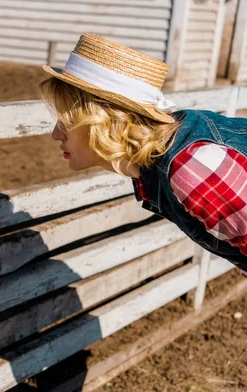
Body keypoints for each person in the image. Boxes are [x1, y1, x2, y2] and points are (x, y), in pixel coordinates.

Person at [40, 33, 247, 275]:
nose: (55, 134)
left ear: (104, 123)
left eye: (67, 121)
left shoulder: (191, 168)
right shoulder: (164, 162)